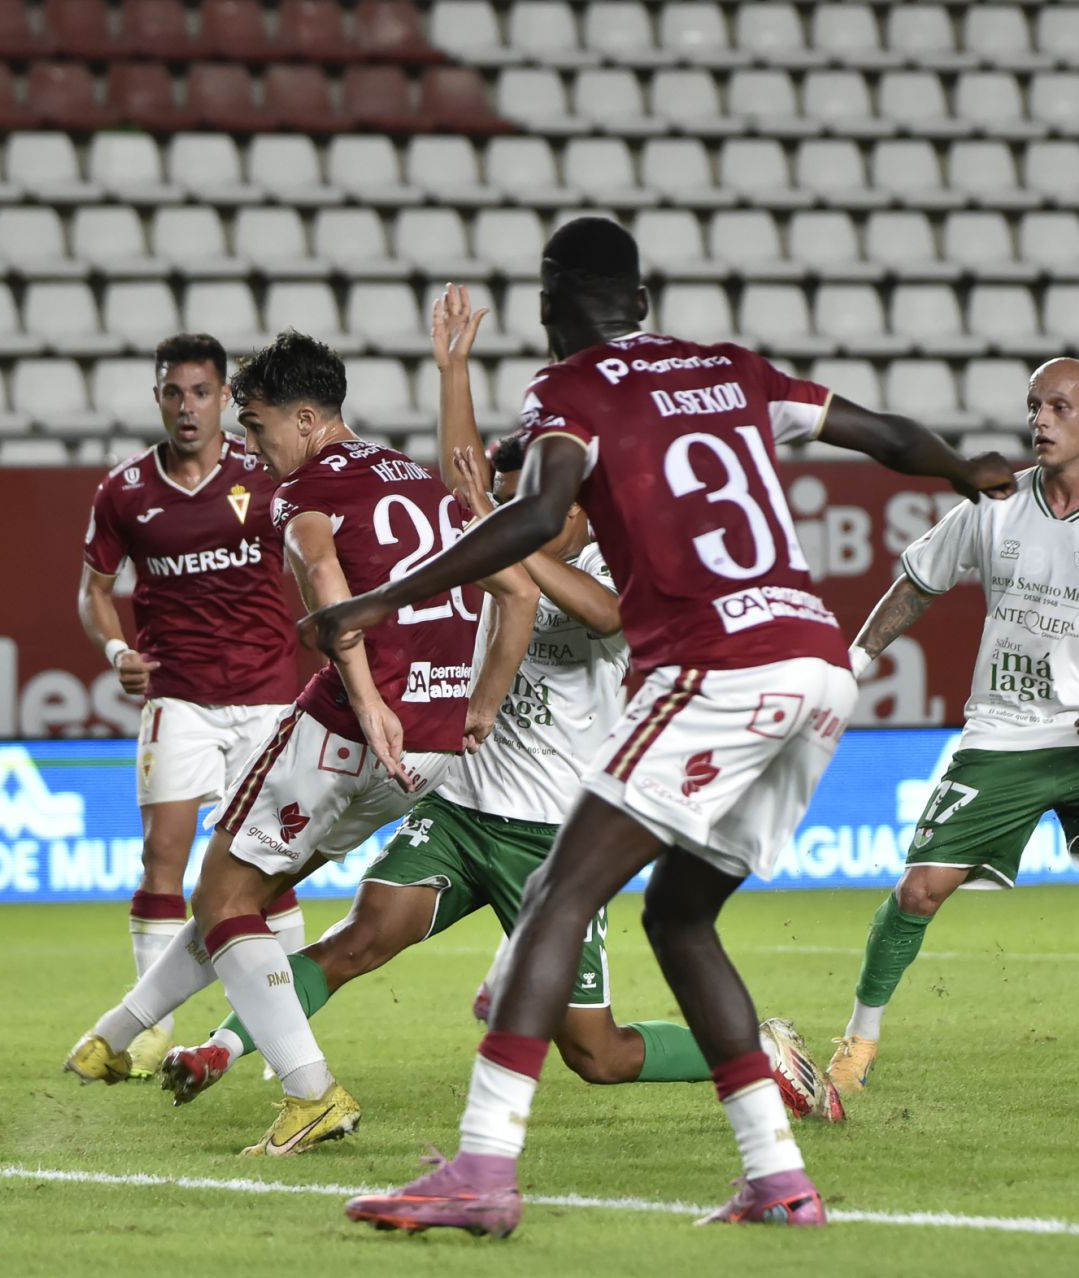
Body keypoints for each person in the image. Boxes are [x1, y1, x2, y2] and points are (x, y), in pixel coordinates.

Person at [309, 217, 1015, 1237]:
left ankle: (483, 1170)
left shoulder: (572, 388)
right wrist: (961, 469)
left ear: (548, 310)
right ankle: (779, 1180)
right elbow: (882, 434)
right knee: (680, 919)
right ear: (641, 301)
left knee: (557, 893)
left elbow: (531, 515)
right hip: (815, 667)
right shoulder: (731, 369)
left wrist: (383, 599)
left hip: (716, 665)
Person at [157, 285, 810, 1111]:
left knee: (597, 1054)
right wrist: (453, 373)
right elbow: (462, 474)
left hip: (552, 831)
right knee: (359, 939)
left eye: (543, 499)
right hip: (463, 806)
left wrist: (490, 529)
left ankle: (755, 1049)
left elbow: (606, 616)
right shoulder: (498, 533)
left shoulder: (619, 564)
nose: (524, 509)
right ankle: (221, 1050)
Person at [65, 331, 538, 1158]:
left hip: (352, 730)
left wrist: (369, 701)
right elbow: (519, 591)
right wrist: (483, 704)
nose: (252, 446)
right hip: (433, 744)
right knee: (242, 891)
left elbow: (325, 580)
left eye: (257, 426)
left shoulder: (305, 490)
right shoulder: (419, 480)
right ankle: (117, 1032)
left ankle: (310, 1093)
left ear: (308, 420)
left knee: (222, 896)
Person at [827, 357, 1079, 1104]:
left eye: (1058, 406)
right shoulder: (996, 503)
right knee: (919, 891)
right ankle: (859, 1040)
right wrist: (853, 661)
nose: (1040, 420)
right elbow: (919, 581)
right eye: (1033, 406)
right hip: (1004, 733)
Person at [77, 332, 306, 1077]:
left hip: (268, 699)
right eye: (174, 392)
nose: (187, 407)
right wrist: (118, 652)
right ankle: (150, 1032)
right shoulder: (124, 492)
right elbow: (93, 594)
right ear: (157, 398)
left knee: (270, 867)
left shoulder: (262, 475)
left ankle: (276, 1032)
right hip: (179, 698)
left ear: (223, 399)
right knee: (163, 857)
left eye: (201, 392)